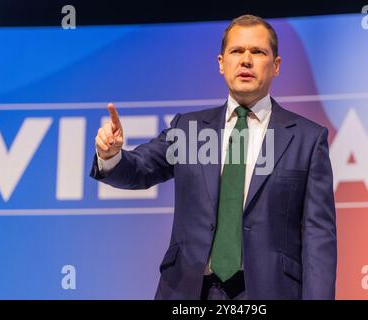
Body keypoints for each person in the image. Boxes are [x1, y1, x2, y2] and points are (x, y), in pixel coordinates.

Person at [90, 14, 337, 300]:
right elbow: (141, 169)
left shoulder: (307, 138)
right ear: (221, 63)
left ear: (276, 66)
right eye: (237, 51)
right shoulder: (189, 128)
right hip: (189, 291)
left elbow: (319, 236)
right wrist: (110, 155)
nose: (246, 60)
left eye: (257, 52)